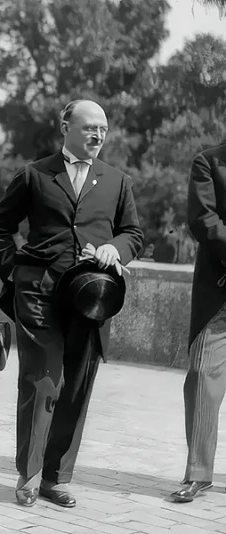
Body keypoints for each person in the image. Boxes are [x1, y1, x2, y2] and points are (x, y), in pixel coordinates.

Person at [0, 99, 143, 508]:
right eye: (90, 127)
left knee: (75, 384)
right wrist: (16, 267)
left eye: (103, 130)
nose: (97, 136)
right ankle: (29, 473)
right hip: (39, 291)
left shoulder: (117, 181)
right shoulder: (35, 175)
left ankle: (55, 479)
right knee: (42, 380)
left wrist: (115, 248)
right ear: (65, 127)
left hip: (92, 296)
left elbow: (134, 234)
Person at [172, 141, 226, 503]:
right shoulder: (208, 162)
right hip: (219, 292)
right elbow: (204, 220)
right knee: (203, 378)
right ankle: (199, 474)